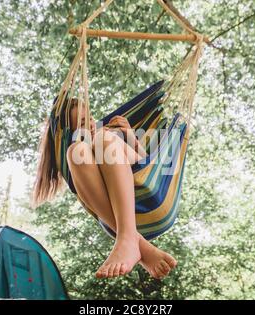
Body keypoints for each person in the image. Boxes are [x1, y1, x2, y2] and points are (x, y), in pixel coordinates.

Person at [33, 98, 177, 279]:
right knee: (75, 151)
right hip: (112, 216)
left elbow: (151, 168)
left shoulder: (108, 134)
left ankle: (130, 240)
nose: (92, 124)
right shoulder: (77, 153)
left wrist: (130, 136)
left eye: (90, 118)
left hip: (148, 194)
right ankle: (133, 241)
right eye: (82, 124)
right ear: (70, 132)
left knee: (102, 139)